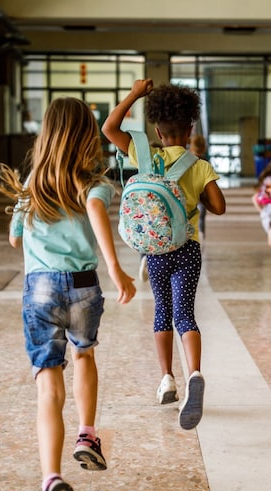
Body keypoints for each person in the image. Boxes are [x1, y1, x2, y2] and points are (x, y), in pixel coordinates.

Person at [0, 97, 136, 491]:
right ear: (86, 134)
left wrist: (27, 222)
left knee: (47, 384)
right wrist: (115, 267)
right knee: (85, 354)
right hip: (83, 284)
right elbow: (96, 213)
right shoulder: (95, 181)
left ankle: (51, 480)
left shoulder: (33, 183)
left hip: (39, 287)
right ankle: (88, 435)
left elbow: (16, 238)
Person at [102, 79, 226, 429]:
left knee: (162, 311)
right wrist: (194, 193)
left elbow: (109, 127)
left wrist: (136, 94)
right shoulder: (197, 164)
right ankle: (195, 373)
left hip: (155, 249)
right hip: (187, 248)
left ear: (156, 128)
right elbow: (218, 207)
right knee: (185, 313)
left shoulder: (145, 153)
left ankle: (167, 378)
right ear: (190, 128)